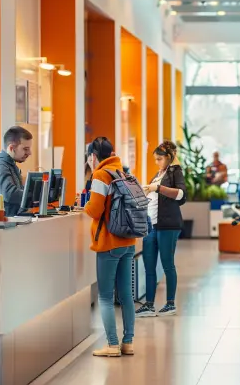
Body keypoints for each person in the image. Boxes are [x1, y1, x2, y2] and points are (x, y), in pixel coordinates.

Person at [83, 136, 137, 357]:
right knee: (126, 294)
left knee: (105, 296)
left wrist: (84, 204)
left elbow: (95, 210)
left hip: (108, 242)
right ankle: (128, 343)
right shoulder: (123, 172)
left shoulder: (100, 175)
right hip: (129, 241)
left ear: (93, 156)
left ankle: (112, 345)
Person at [136, 141, 186, 318]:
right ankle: (149, 305)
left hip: (168, 225)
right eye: (155, 159)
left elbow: (181, 195)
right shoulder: (157, 174)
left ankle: (170, 303)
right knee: (149, 266)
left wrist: (157, 188)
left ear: (169, 158)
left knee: (167, 263)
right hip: (151, 226)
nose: (156, 162)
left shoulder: (175, 172)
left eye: (159, 159)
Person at [0, 126, 33, 216]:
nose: (29, 153)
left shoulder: (9, 164)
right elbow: (9, 194)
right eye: (25, 149)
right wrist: (35, 196)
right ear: (11, 148)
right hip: (6, 224)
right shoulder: (0, 166)